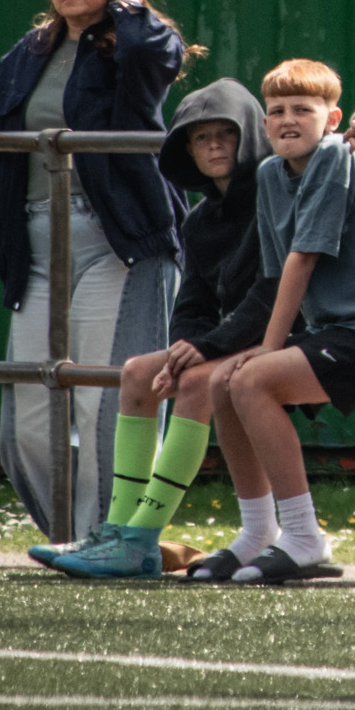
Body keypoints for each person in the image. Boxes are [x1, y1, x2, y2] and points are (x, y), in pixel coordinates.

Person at [0, 0, 187, 545]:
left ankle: (116, 539)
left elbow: (157, 56)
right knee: (29, 420)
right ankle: (77, 534)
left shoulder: (134, 40)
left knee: (107, 405)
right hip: (37, 245)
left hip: (118, 242)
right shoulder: (34, 48)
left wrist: (129, 4)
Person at [35, 78, 278, 579]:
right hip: (228, 340)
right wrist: (182, 347)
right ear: (186, 149)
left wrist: (201, 350)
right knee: (137, 372)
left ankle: (143, 537)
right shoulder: (197, 220)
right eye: (199, 137)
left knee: (193, 379)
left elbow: (270, 298)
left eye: (225, 134)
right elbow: (192, 303)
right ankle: (119, 528)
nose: (213, 145)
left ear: (250, 134)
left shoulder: (274, 195)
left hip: (281, 336)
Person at [218, 59, 355, 583]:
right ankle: (255, 533)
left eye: (303, 110)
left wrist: (269, 350)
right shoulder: (270, 174)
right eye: (276, 111)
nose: (287, 120)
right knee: (222, 383)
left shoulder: (336, 156)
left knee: (252, 379)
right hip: (333, 331)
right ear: (263, 124)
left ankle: (304, 538)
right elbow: (274, 277)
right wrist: (240, 345)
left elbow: (304, 259)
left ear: (332, 118)